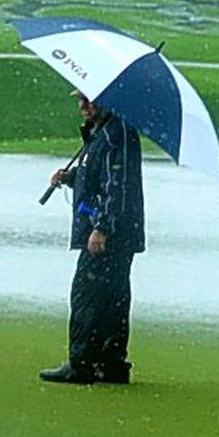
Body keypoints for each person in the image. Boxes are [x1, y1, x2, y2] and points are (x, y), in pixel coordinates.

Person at [39, 91, 145, 386]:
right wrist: (71, 178)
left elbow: (119, 187)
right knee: (112, 297)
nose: (83, 107)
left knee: (87, 294)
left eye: (89, 100)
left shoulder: (117, 133)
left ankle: (82, 363)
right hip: (117, 231)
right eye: (80, 100)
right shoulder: (103, 132)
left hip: (111, 233)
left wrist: (103, 228)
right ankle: (110, 364)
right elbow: (100, 178)